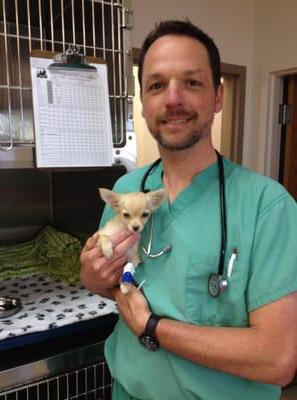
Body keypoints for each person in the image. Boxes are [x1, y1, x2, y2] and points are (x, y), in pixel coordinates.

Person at [80, 20, 297, 400]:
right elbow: (114, 285)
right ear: (144, 104)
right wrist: (93, 278)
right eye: (157, 85)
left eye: (192, 82)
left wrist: (153, 327)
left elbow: (278, 360)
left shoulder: (269, 207)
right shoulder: (127, 189)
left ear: (218, 96)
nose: (173, 98)